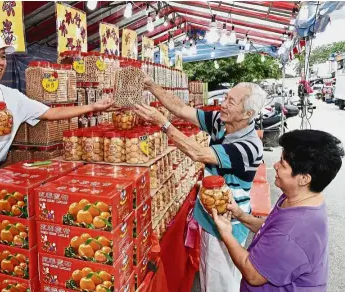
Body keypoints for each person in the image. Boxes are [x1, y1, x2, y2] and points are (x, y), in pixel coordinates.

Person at [0, 29, 113, 270]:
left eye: (3, 56)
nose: (1, 62)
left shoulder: (12, 97)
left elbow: (50, 113)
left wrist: (93, 107)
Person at [134, 80, 267, 292]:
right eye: (225, 97)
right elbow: (181, 108)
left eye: (231, 101)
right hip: (209, 218)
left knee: (221, 283)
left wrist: (164, 123)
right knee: (207, 277)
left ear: (247, 114)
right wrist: (151, 86)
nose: (223, 104)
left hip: (227, 224)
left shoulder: (248, 146)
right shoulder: (221, 122)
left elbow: (200, 153)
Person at [212, 130, 344, 291]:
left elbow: (252, 274)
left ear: (304, 178)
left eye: (282, 163)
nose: (275, 165)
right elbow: (269, 227)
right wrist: (240, 215)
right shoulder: (300, 198)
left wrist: (226, 233)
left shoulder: (295, 229)